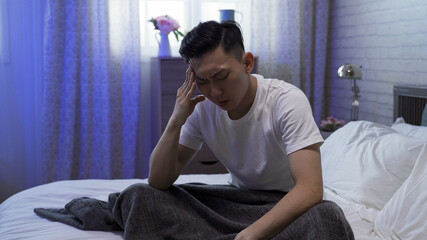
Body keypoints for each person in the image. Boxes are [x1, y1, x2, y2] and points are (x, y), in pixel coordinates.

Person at [148, 20, 352, 239]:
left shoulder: (286, 101)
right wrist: (175, 121)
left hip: (287, 205)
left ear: (247, 63)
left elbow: (310, 189)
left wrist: (250, 235)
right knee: (141, 195)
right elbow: (159, 181)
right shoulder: (201, 106)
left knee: (326, 218)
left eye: (221, 76)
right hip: (238, 201)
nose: (214, 91)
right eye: (202, 81)